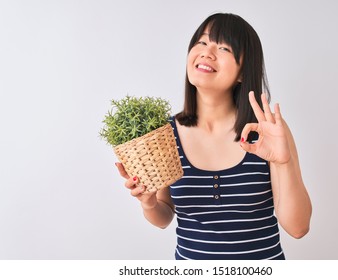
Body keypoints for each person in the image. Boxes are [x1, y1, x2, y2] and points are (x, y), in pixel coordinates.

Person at [116, 13, 312, 260]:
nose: (207, 52)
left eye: (224, 47)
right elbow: (164, 217)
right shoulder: (165, 134)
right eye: (202, 42)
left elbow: (298, 228)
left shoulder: (267, 130)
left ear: (243, 71)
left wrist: (285, 164)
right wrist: (149, 203)